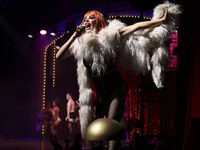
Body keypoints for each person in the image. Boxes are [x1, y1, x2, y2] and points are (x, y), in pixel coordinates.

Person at [56, 2, 181, 150]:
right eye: (85, 19)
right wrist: (73, 36)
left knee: (112, 124)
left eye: (91, 18)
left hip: (116, 86)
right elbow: (59, 55)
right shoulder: (80, 44)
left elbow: (136, 27)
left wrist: (159, 21)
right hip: (101, 91)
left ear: (99, 21)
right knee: (101, 129)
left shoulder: (109, 36)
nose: (87, 21)